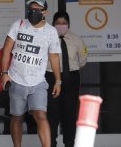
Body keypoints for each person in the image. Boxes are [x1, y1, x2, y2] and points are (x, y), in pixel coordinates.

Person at [1, 0, 62, 147]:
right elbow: (7, 49)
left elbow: (53, 57)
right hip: (16, 79)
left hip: (38, 82)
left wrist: (58, 81)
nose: (33, 12)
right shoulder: (19, 25)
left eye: (37, 10)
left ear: (45, 12)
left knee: (41, 115)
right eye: (31, 9)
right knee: (17, 117)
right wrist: (4, 73)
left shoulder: (51, 31)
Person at [46, 11, 88, 147]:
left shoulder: (77, 40)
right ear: (53, 24)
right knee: (52, 114)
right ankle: (51, 143)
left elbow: (83, 59)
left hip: (71, 78)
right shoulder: (47, 39)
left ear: (68, 24)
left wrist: (70, 71)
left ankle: (69, 143)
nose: (61, 25)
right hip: (52, 78)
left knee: (69, 114)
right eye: (58, 23)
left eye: (64, 23)